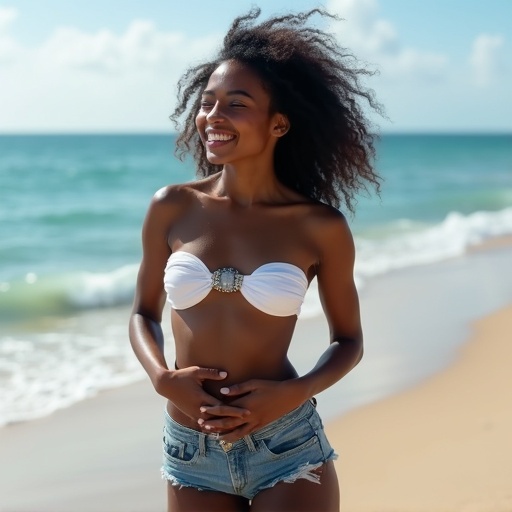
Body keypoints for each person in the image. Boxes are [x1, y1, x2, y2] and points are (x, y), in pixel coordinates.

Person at [129, 8, 381, 512]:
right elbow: (143, 314)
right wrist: (162, 378)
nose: (212, 117)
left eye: (236, 104)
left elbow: (349, 341)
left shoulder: (318, 226)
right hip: (189, 446)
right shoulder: (171, 206)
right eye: (206, 104)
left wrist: (295, 393)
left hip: (284, 443)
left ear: (278, 123)